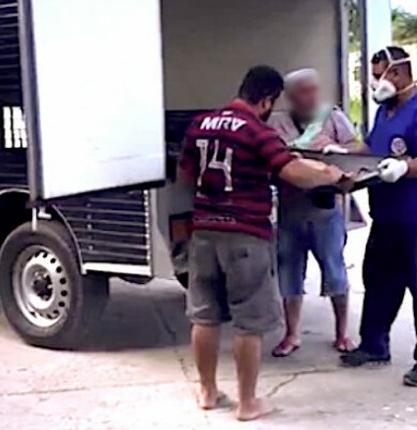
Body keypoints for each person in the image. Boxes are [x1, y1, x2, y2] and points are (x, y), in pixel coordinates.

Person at [178, 65, 348, 421]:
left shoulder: (200, 124)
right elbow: (293, 173)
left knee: (204, 317)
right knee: (249, 323)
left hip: (204, 233)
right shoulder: (257, 131)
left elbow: (185, 175)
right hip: (245, 235)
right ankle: (247, 403)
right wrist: (330, 175)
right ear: (267, 99)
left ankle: (207, 391)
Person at [338, 47, 417, 387]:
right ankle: (374, 345)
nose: (376, 84)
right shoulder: (385, 111)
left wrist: (404, 168)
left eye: (379, 76)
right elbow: (371, 148)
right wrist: (341, 153)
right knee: (378, 281)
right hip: (386, 215)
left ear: (398, 73)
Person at [268, 69, 359, 358]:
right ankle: (291, 333)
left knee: (335, 270)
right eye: (303, 92)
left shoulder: (331, 116)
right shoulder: (277, 123)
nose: (311, 97)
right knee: (289, 272)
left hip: (326, 210)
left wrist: (335, 149)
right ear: (290, 97)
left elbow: (358, 147)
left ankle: (342, 332)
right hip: (291, 209)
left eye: (314, 90)